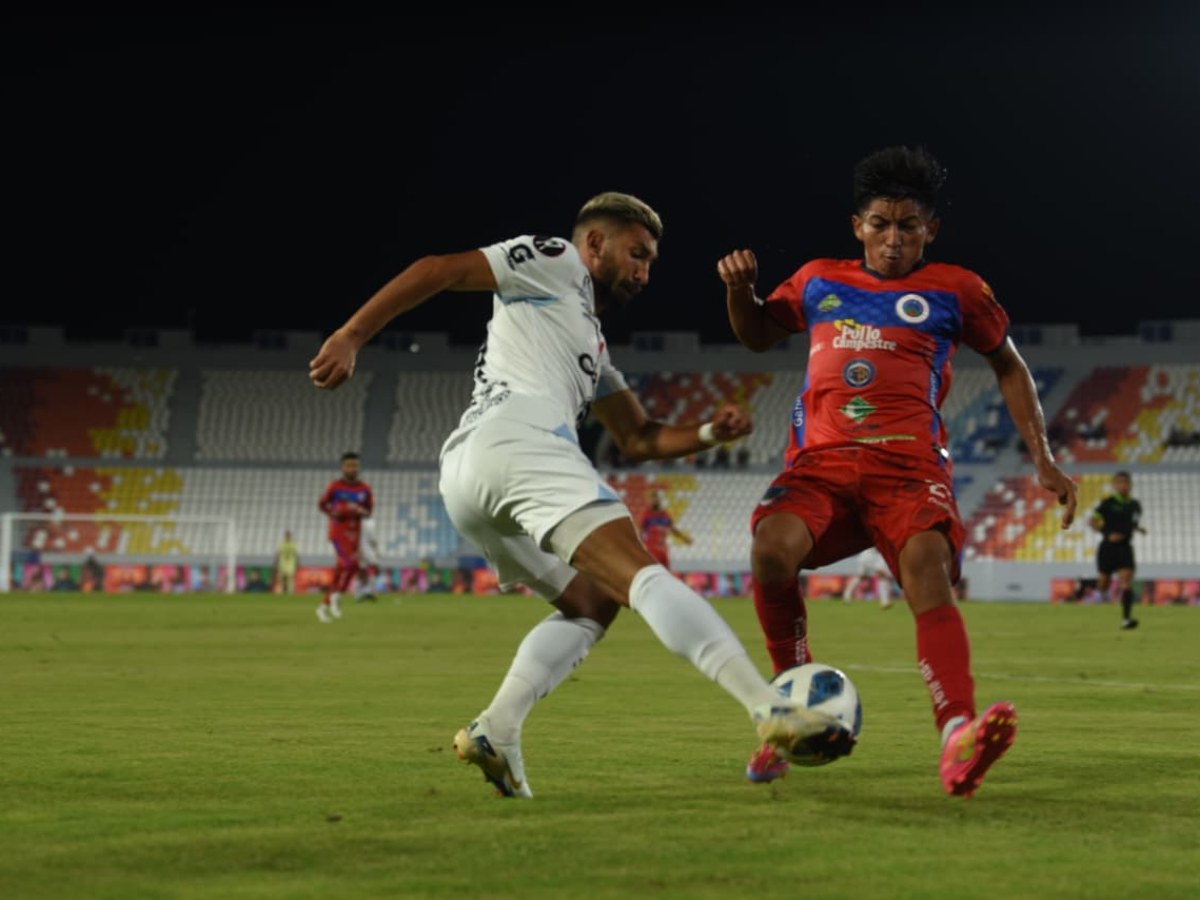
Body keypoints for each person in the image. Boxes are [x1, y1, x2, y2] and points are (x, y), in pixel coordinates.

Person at [309, 191, 855, 799]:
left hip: (468, 474)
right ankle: (768, 709)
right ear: (594, 243)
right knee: (641, 576)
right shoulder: (557, 260)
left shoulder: (588, 344)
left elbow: (638, 436)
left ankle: (498, 727)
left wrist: (707, 434)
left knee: (593, 600)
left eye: (651, 262)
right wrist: (351, 335)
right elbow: (439, 269)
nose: (645, 272)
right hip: (520, 441)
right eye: (637, 254)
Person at [717, 146, 1078, 796]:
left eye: (908, 225)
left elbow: (1009, 365)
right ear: (857, 225)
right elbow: (757, 334)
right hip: (822, 464)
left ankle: (957, 736)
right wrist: (739, 292)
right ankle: (785, 712)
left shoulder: (957, 289)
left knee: (927, 569)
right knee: (770, 551)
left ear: (929, 230)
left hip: (908, 469)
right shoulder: (818, 280)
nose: (893, 238)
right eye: (880, 224)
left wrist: (1044, 459)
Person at [316, 451, 373, 623]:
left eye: (354, 465)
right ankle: (336, 596)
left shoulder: (364, 489)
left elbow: (369, 511)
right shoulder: (334, 487)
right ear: (342, 467)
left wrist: (358, 510)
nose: (352, 468)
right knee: (350, 564)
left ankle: (325, 605)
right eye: (348, 465)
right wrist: (334, 512)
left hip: (355, 532)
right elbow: (322, 504)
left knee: (345, 567)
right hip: (338, 532)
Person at [1090, 470, 1146, 630]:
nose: (1123, 485)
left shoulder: (1135, 506)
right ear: (1114, 485)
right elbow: (1093, 521)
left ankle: (1126, 619)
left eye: (1126, 482)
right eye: (1120, 482)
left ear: (1131, 485)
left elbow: (1133, 522)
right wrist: (1107, 534)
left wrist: (1139, 529)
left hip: (1125, 547)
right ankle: (1098, 596)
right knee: (1103, 583)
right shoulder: (1107, 503)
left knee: (1126, 581)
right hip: (1108, 548)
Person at [639, 491, 693, 573]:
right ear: (649, 501)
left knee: (666, 571)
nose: (654, 501)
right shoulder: (647, 515)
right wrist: (640, 545)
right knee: (655, 570)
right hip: (651, 548)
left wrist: (684, 538)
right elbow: (640, 531)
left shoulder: (665, 514)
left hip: (663, 547)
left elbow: (672, 529)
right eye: (652, 499)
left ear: (659, 500)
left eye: (656, 499)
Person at [355, 517, 382, 602]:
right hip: (367, 550)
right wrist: (377, 550)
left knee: (362, 572)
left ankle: (361, 593)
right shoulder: (370, 523)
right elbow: (373, 539)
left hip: (359, 550)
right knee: (374, 569)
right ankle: (368, 591)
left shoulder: (358, 521)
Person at [274, 530, 300, 594]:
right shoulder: (281, 544)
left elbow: (296, 554)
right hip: (282, 563)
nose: (288, 537)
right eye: (287, 536)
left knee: (290, 578)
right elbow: (278, 554)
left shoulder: (293, 544)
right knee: (281, 578)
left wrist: (297, 563)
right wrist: (276, 563)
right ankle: (280, 591)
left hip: (291, 564)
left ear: (290, 536)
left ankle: (290, 591)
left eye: (288, 536)